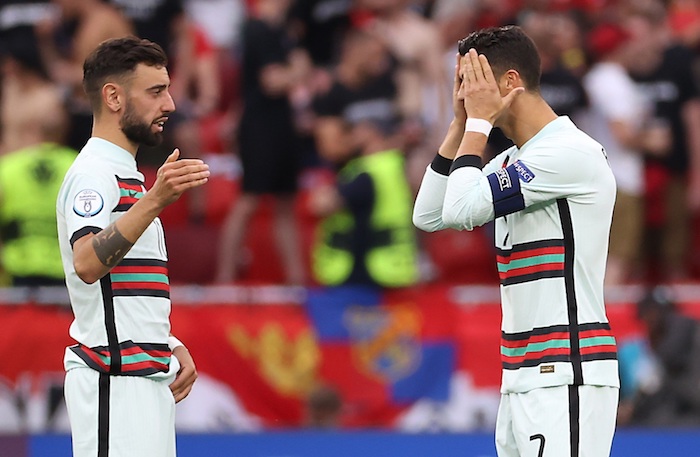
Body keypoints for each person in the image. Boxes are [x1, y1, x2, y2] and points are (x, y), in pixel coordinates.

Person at [413, 26, 619, 456]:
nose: (465, 95)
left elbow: (460, 210)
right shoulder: (514, 158)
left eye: (473, 82)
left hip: (567, 371)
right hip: (523, 374)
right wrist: (459, 125)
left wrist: (478, 124)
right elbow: (429, 215)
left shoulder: (568, 152)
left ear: (509, 82)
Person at [56, 36, 209, 457]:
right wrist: (155, 200)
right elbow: (87, 262)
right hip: (113, 381)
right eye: (156, 91)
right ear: (114, 97)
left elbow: (122, 288)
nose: (170, 104)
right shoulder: (93, 174)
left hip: (144, 380)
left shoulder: (128, 176)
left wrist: (167, 342)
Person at [215, 0, 310, 285]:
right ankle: (225, 278)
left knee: (285, 202)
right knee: (249, 198)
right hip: (259, 127)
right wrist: (300, 70)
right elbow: (272, 82)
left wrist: (295, 70)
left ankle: (296, 280)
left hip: (282, 125)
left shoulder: (282, 31)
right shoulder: (258, 29)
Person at [309, 115, 419, 288]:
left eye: (355, 130)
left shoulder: (367, 171)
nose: (351, 136)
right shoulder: (394, 164)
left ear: (370, 133)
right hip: (394, 265)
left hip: (367, 273)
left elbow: (322, 206)